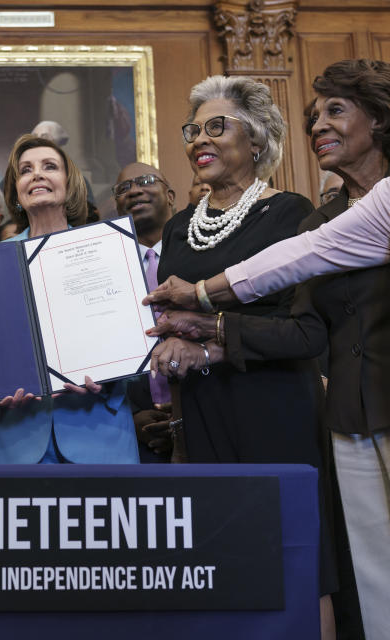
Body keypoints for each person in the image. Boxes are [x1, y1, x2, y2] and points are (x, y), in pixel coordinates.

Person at [153, 3, 390, 635]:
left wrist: (210, 322)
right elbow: (305, 254)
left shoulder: (386, 183)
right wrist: (204, 293)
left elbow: (301, 323)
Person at [145, 75, 338, 637]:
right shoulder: (179, 229)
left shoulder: (290, 214)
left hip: (276, 407)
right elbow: (169, 333)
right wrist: (178, 434)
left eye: (216, 126)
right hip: (203, 412)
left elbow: (302, 332)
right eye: (192, 129)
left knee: (299, 560)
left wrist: (205, 342)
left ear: (256, 142)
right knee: (222, 564)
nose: (199, 139)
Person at [0, 134, 139, 465]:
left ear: (69, 184)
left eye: (49, 166)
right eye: (26, 170)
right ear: (17, 191)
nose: (37, 174)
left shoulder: (107, 248)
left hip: (100, 435)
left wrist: (107, 381)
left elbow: (135, 344)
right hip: (13, 440)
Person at [113, 161, 177, 462]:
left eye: (146, 181)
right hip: (128, 433)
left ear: (171, 196)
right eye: (124, 188)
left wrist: (183, 412)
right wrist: (131, 414)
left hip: (201, 416)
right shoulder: (105, 269)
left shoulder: (202, 255)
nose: (134, 190)